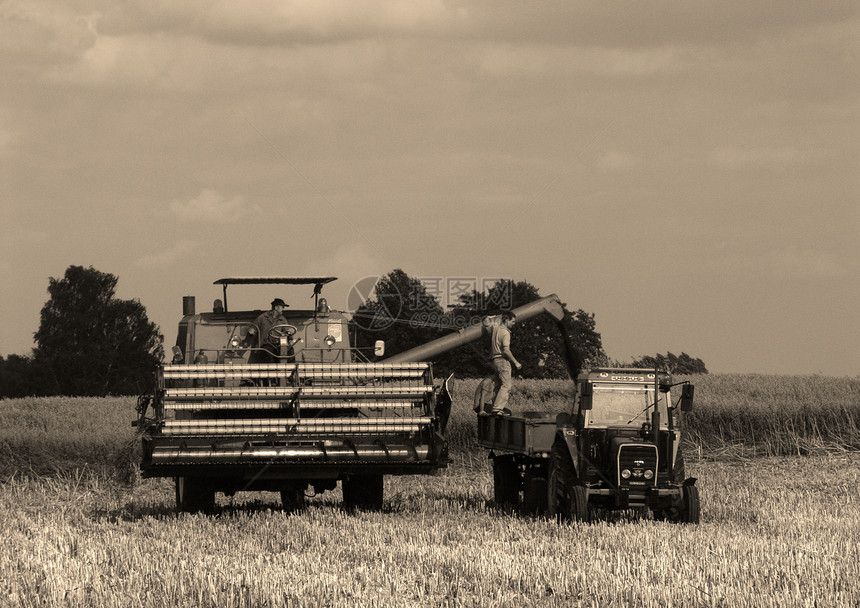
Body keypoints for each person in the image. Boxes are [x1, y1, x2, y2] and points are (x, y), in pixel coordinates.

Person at [489, 311, 522, 414]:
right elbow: (506, 350)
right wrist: (516, 362)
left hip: (494, 360)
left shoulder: (496, 328)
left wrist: (494, 316)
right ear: (506, 320)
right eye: (512, 321)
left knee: (498, 385)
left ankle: (494, 406)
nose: (514, 323)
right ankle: (497, 408)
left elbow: (488, 318)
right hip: (503, 360)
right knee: (507, 385)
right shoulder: (505, 333)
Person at [244, 298, 289, 364]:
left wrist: (289, 332)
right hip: (264, 346)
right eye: (282, 307)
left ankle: (291, 369)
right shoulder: (262, 318)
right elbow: (253, 328)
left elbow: (287, 331)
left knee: (290, 350)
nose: (283, 309)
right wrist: (252, 332)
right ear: (276, 307)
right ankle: (270, 370)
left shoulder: (283, 320)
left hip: (277, 346)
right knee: (268, 351)